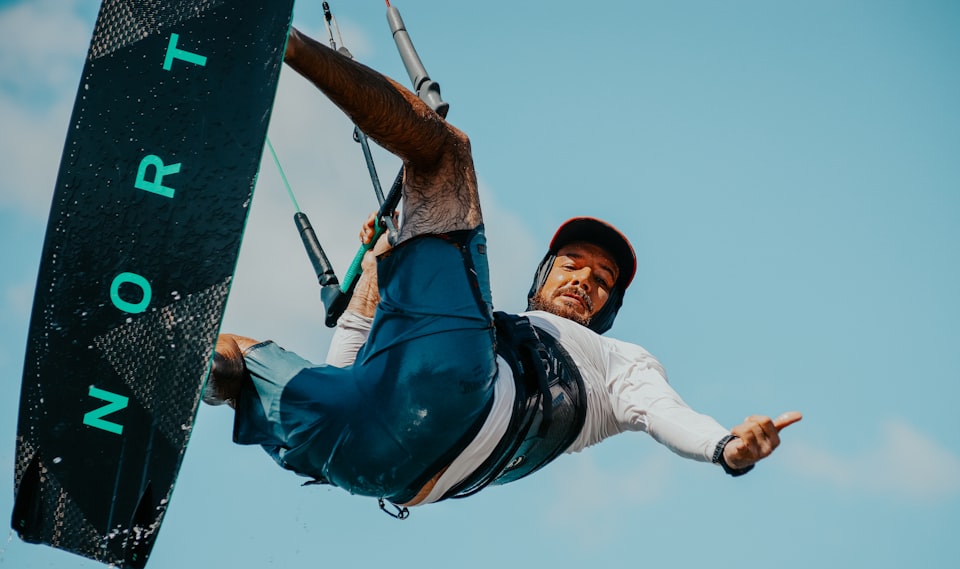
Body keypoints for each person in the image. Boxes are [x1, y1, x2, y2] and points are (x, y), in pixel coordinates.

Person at [204, 27, 802, 512]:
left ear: (608, 311)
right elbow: (345, 372)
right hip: (367, 464)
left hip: (462, 402)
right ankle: (170, 368)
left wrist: (726, 447)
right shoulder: (476, 323)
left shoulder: (620, 368)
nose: (585, 282)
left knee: (445, 154)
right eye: (573, 264)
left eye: (601, 283)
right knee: (235, 358)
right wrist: (374, 275)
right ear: (543, 273)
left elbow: (669, 417)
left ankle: (276, 37)